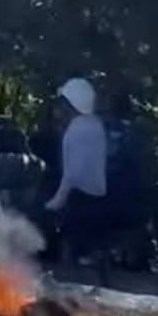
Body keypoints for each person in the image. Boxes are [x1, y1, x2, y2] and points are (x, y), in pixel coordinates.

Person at [45, 78, 109, 279]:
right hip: (98, 195)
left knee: (69, 243)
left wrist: (57, 201)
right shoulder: (95, 125)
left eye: (63, 103)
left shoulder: (75, 130)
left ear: (70, 104)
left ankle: (68, 285)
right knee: (93, 246)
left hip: (79, 197)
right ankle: (98, 284)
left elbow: (72, 174)